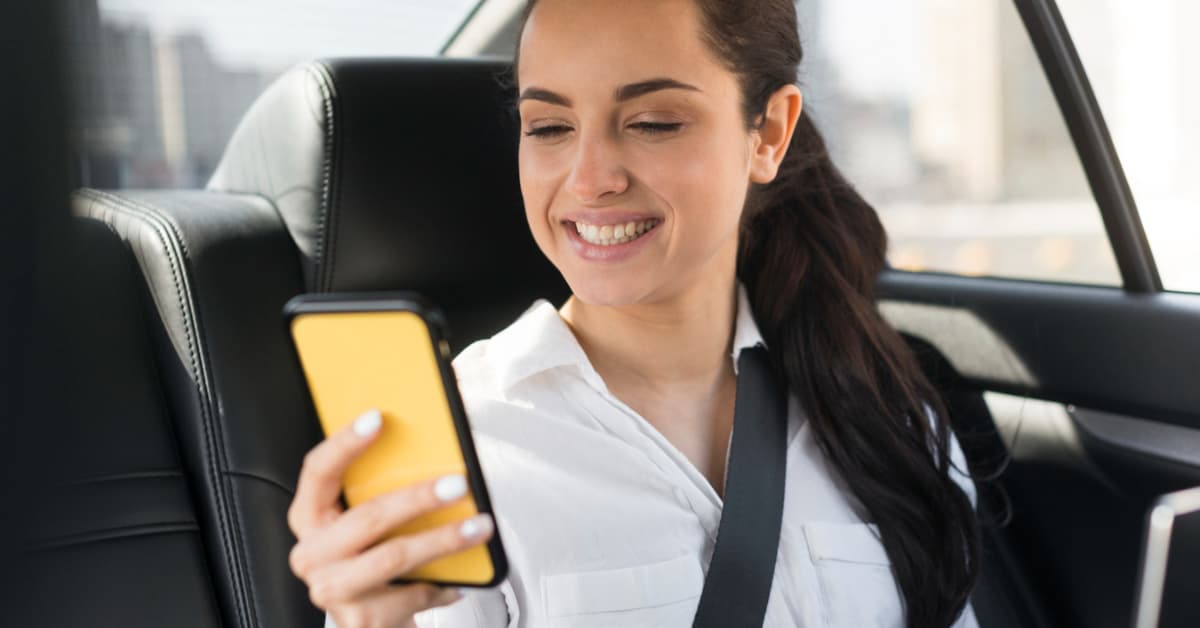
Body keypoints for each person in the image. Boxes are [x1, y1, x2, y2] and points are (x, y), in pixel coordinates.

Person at [286, 0, 983, 626]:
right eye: (549, 127)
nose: (590, 179)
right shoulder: (463, 447)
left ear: (769, 133)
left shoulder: (883, 409)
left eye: (653, 123)